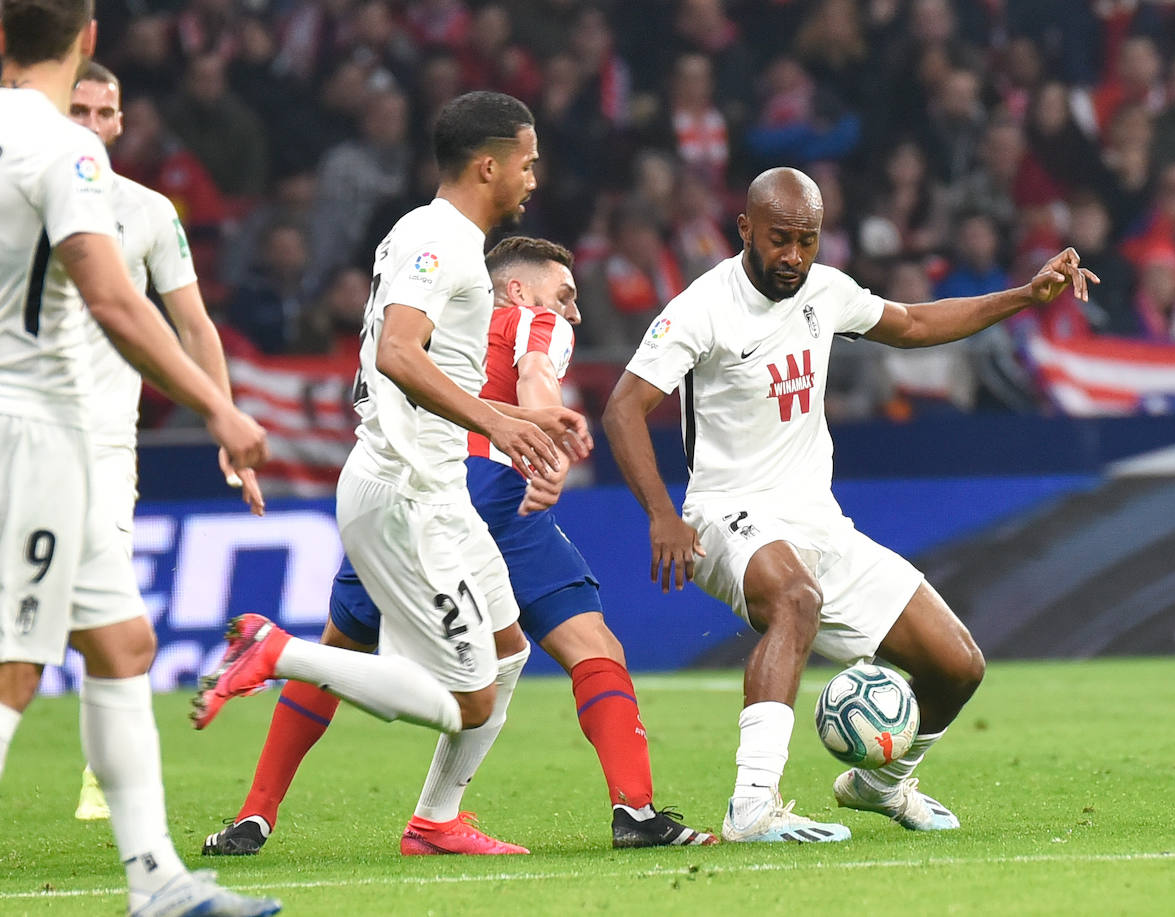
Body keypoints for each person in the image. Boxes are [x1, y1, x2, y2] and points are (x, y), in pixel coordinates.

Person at [601, 167, 1097, 843]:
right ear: (745, 228)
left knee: (958, 665)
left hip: (818, 522)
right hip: (725, 513)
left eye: (807, 240)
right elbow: (623, 407)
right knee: (795, 599)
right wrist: (662, 513)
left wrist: (1024, 296)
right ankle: (752, 805)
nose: (793, 256)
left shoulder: (825, 291)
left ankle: (880, 783)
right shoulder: (702, 307)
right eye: (780, 239)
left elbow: (913, 323)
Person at [203, 236, 716, 856]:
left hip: (403, 489)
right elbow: (537, 376)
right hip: (492, 493)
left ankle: (255, 818)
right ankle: (629, 809)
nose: (574, 312)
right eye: (565, 295)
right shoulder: (532, 320)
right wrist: (547, 440)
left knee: (350, 645)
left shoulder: (427, 328)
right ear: (518, 291)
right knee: (572, 653)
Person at [191, 91, 593, 857]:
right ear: (489, 165)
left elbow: (425, 366)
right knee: (466, 699)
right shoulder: (442, 242)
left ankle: (436, 820)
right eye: (527, 162)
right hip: (407, 491)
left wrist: (521, 417)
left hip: (434, 485)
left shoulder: (426, 232)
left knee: (509, 649)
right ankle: (277, 652)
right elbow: (398, 352)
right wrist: (498, 422)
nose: (534, 178)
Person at [0, 2, 276, 914]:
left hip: (64, 439)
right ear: (87, 38)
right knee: (15, 665)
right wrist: (218, 409)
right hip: (33, 427)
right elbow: (115, 301)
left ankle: (156, 881)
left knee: (124, 644)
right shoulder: (65, 152)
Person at [65, 60, 267, 824]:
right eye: (77, 110)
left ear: (121, 124)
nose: (91, 125)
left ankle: (107, 775)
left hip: (105, 448)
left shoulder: (147, 211)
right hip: (21, 438)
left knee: (120, 623)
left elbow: (194, 326)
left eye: (103, 112)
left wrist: (223, 419)